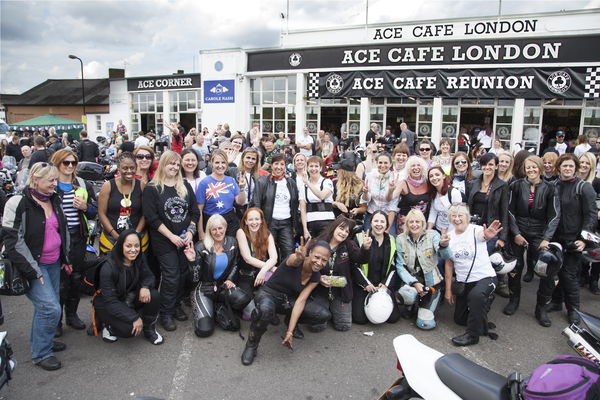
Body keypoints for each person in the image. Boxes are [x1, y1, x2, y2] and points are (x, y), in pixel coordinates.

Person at [2, 162, 71, 370]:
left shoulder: (54, 199)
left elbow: (62, 231)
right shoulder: (18, 202)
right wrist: (32, 271)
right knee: (50, 308)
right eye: (50, 180)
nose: (54, 183)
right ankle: (41, 353)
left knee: (45, 307)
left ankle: (43, 341)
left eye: (55, 179)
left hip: (53, 263)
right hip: (33, 266)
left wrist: (65, 259)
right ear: (36, 180)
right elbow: (13, 241)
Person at [240, 239, 332, 366]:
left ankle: (288, 321)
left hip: (288, 302)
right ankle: (251, 345)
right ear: (309, 253)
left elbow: (301, 301)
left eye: (324, 260)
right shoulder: (294, 260)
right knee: (265, 311)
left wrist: (290, 331)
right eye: (317, 257)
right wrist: (299, 257)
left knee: (322, 314)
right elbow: (294, 260)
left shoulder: (316, 277)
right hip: (269, 295)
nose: (319, 262)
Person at [143, 150, 200, 331]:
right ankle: (165, 313)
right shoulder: (153, 188)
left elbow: (194, 212)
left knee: (183, 274)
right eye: (171, 164)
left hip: (185, 239)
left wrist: (190, 232)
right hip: (164, 241)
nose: (175, 167)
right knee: (171, 276)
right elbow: (152, 218)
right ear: (163, 165)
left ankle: (175, 306)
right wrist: (171, 236)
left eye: (177, 164)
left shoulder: (184, 186)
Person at [505, 155, 560, 326]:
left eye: (534, 167)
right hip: (519, 230)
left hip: (539, 233)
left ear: (540, 168)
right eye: (528, 167)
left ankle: (541, 308)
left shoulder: (550, 188)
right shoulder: (516, 185)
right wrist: (515, 233)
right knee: (516, 266)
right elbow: (509, 210)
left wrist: (546, 238)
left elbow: (555, 215)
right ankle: (514, 300)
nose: (531, 170)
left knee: (545, 268)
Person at [50, 149, 97, 336]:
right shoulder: (51, 185)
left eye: (73, 163)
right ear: (57, 163)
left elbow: (94, 211)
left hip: (78, 237)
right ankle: (56, 321)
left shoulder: (82, 184)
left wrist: (85, 207)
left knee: (76, 278)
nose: (70, 166)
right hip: (56, 239)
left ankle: (72, 315)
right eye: (65, 163)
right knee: (59, 282)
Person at [548, 154, 597, 324]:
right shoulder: (552, 185)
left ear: (575, 168)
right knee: (556, 271)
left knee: (569, 275)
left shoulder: (584, 187)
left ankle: (574, 310)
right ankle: (555, 302)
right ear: (559, 167)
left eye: (570, 166)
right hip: (555, 238)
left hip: (574, 239)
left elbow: (591, 216)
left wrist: (584, 240)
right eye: (564, 166)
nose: (567, 169)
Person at [91, 230, 164, 345]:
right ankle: (108, 326)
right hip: (108, 304)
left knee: (153, 295)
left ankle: (149, 328)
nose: (133, 250)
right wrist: (134, 317)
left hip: (128, 297)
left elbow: (149, 276)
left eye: (136, 246)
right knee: (128, 330)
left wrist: (145, 286)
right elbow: (110, 301)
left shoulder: (139, 257)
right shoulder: (108, 267)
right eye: (128, 246)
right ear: (121, 246)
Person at [183, 214, 251, 337]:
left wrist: (230, 279)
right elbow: (194, 279)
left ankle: (217, 305)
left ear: (225, 227)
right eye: (214, 229)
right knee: (204, 330)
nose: (218, 232)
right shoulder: (201, 246)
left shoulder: (232, 242)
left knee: (243, 298)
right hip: (203, 288)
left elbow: (235, 264)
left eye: (220, 228)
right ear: (209, 230)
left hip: (222, 286)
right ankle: (211, 307)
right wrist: (192, 261)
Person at [444, 204, 502, 346]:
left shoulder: (476, 230)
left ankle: (472, 335)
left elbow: (483, 236)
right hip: (465, 281)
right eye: (454, 216)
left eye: (460, 215)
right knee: (459, 319)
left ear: (467, 217)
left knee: (476, 296)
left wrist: (487, 236)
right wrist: (448, 289)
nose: (457, 219)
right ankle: (481, 318)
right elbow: (449, 264)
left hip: (485, 277)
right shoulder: (449, 237)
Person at [311, 216, 371, 332]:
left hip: (341, 291)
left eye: (347, 231)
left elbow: (361, 258)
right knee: (317, 327)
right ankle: (324, 308)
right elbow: (307, 266)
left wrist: (365, 248)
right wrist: (318, 278)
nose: (343, 233)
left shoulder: (349, 245)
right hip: (319, 290)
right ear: (334, 227)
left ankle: (332, 310)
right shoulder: (318, 242)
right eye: (341, 228)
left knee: (343, 326)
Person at [396, 209, 451, 329]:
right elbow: (400, 266)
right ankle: (410, 304)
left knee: (425, 324)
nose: (414, 224)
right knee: (406, 295)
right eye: (411, 222)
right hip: (413, 280)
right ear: (407, 224)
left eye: (417, 221)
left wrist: (444, 245)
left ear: (422, 223)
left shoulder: (433, 235)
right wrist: (414, 283)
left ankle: (430, 300)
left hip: (431, 283)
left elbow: (446, 256)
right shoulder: (400, 239)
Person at [352, 211, 401, 324]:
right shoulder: (360, 238)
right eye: (376, 221)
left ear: (387, 225)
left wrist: (386, 284)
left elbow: (394, 266)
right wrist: (366, 284)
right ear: (370, 222)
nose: (379, 224)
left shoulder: (392, 241)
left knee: (393, 318)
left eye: (382, 221)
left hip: (382, 285)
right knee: (360, 319)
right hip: (364, 285)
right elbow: (354, 265)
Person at [251, 153, 299, 261]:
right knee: (267, 253)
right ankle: (266, 277)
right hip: (268, 222)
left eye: (282, 164)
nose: (279, 167)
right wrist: (259, 223)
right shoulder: (262, 181)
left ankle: (285, 277)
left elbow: (295, 205)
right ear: (271, 165)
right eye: (276, 163)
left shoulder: (291, 183)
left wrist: (295, 225)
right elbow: (257, 203)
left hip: (286, 223)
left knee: (288, 252)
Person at [98, 153, 147, 254]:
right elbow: (101, 213)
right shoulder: (108, 186)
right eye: (125, 168)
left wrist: (136, 235)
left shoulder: (141, 185)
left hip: (137, 238)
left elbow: (145, 213)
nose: (129, 171)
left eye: (132, 168)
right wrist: (116, 236)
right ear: (119, 168)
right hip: (111, 239)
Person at [235, 208, 278, 317]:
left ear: (261, 220)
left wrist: (263, 270)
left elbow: (274, 258)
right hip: (246, 276)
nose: (254, 222)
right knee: (249, 314)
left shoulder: (267, 233)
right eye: (250, 220)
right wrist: (270, 267)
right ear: (245, 221)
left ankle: (268, 307)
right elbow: (247, 258)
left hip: (261, 274)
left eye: (257, 219)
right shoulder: (241, 232)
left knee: (267, 306)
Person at [197, 150, 246, 238]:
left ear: (227, 164)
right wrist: (201, 233)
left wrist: (242, 188)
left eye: (223, 162)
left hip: (230, 222)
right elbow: (199, 210)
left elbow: (240, 202)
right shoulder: (204, 183)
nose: (220, 165)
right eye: (217, 162)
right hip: (211, 222)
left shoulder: (231, 180)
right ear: (211, 163)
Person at [466, 153, 509, 253]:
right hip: (473, 227)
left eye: (490, 164)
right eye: (484, 165)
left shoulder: (502, 185)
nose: (487, 167)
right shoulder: (472, 183)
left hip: (491, 229)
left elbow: (505, 212)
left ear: (496, 166)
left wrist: (502, 237)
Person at [391, 156, 431, 234]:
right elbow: (391, 197)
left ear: (423, 168)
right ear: (408, 169)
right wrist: (391, 189)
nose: (416, 168)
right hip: (405, 223)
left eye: (418, 165)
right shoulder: (403, 183)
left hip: (422, 222)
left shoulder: (428, 182)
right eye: (413, 166)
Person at [299, 156, 335, 239]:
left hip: (326, 221)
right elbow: (303, 209)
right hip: (311, 222)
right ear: (307, 168)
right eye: (311, 166)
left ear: (320, 168)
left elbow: (321, 196)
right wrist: (305, 229)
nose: (313, 169)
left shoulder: (327, 182)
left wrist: (308, 182)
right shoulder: (303, 187)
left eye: (316, 166)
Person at [361, 152, 397, 231]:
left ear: (390, 164)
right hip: (371, 214)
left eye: (386, 163)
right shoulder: (370, 176)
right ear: (376, 163)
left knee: (389, 240)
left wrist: (388, 229)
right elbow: (366, 199)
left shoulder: (394, 178)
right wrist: (365, 192)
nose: (383, 165)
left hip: (388, 216)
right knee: (368, 239)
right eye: (380, 163)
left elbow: (393, 205)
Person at [427, 166, 464, 232]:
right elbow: (433, 212)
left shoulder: (454, 193)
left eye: (437, 175)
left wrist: (447, 233)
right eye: (431, 176)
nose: (434, 178)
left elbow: (458, 215)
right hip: (438, 229)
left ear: (444, 176)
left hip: (453, 231)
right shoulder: (434, 193)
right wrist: (429, 230)